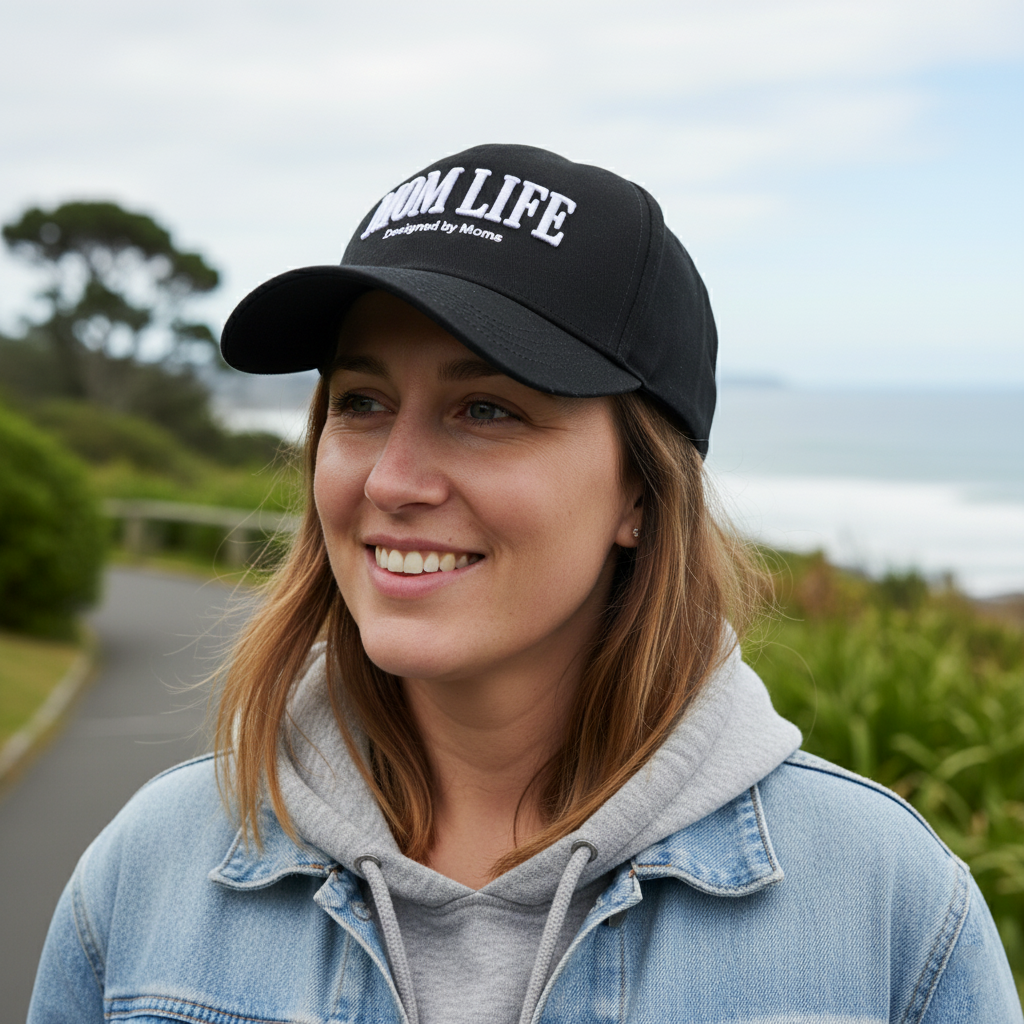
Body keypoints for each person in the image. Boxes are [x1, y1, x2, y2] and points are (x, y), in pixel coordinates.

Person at [29, 144, 1020, 1023]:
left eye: (487, 410)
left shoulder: (884, 908)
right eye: (362, 401)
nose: (393, 481)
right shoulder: (150, 872)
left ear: (640, 491)